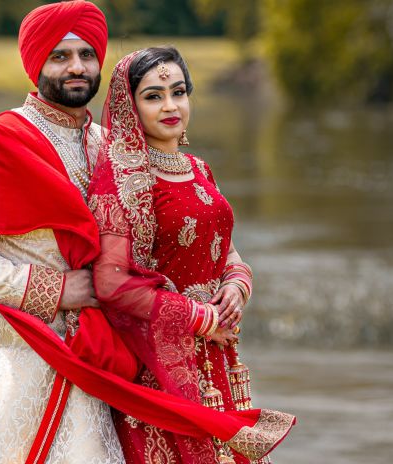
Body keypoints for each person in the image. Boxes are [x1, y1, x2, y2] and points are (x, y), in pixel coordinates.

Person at [0, 1, 126, 462]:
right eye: (60, 56)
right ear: (37, 65)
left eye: (87, 55)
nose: (77, 67)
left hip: (112, 355)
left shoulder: (109, 145)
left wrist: (232, 278)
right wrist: (55, 289)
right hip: (32, 355)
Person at [87, 47, 290, 463]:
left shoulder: (199, 167)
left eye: (178, 92)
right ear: (130, 106)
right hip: (159, 362)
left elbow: (226, 250)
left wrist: (237, 286)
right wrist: (201, 319)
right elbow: (110, 283)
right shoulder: (123, 177)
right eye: (153, 95)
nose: (170, 106)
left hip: (217, 352)